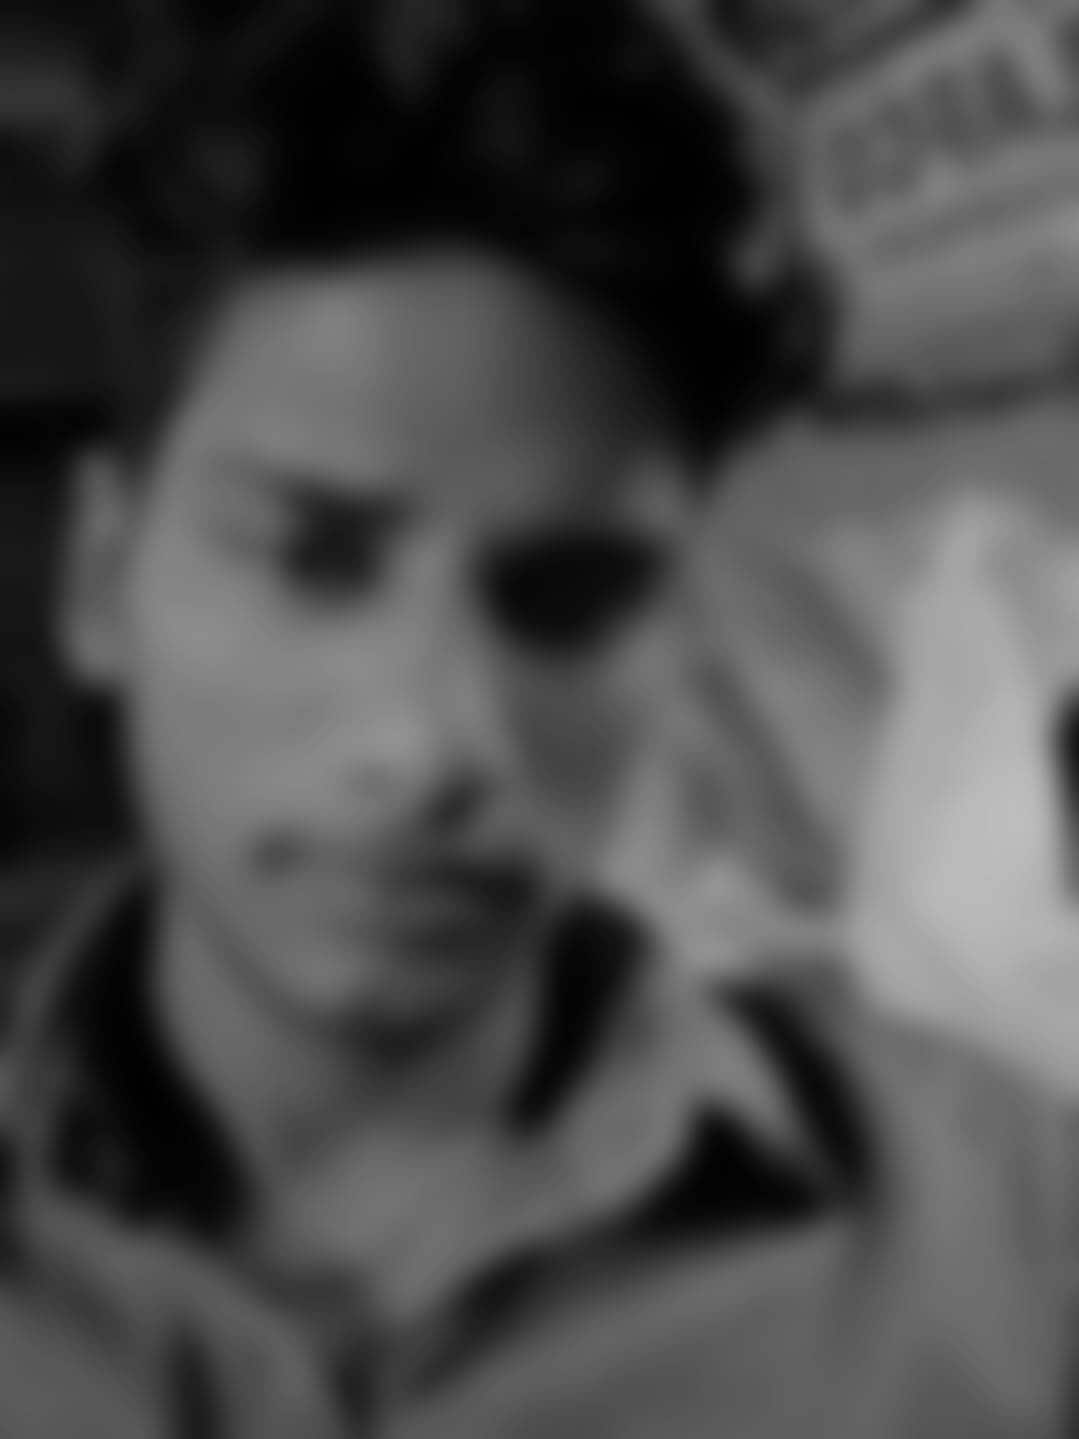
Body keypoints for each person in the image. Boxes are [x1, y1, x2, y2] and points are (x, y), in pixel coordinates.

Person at [0, 2, 1073, 1436]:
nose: (432, 743)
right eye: (314, 560)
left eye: (573, 597)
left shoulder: (1008, 1246)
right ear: (97, 576)